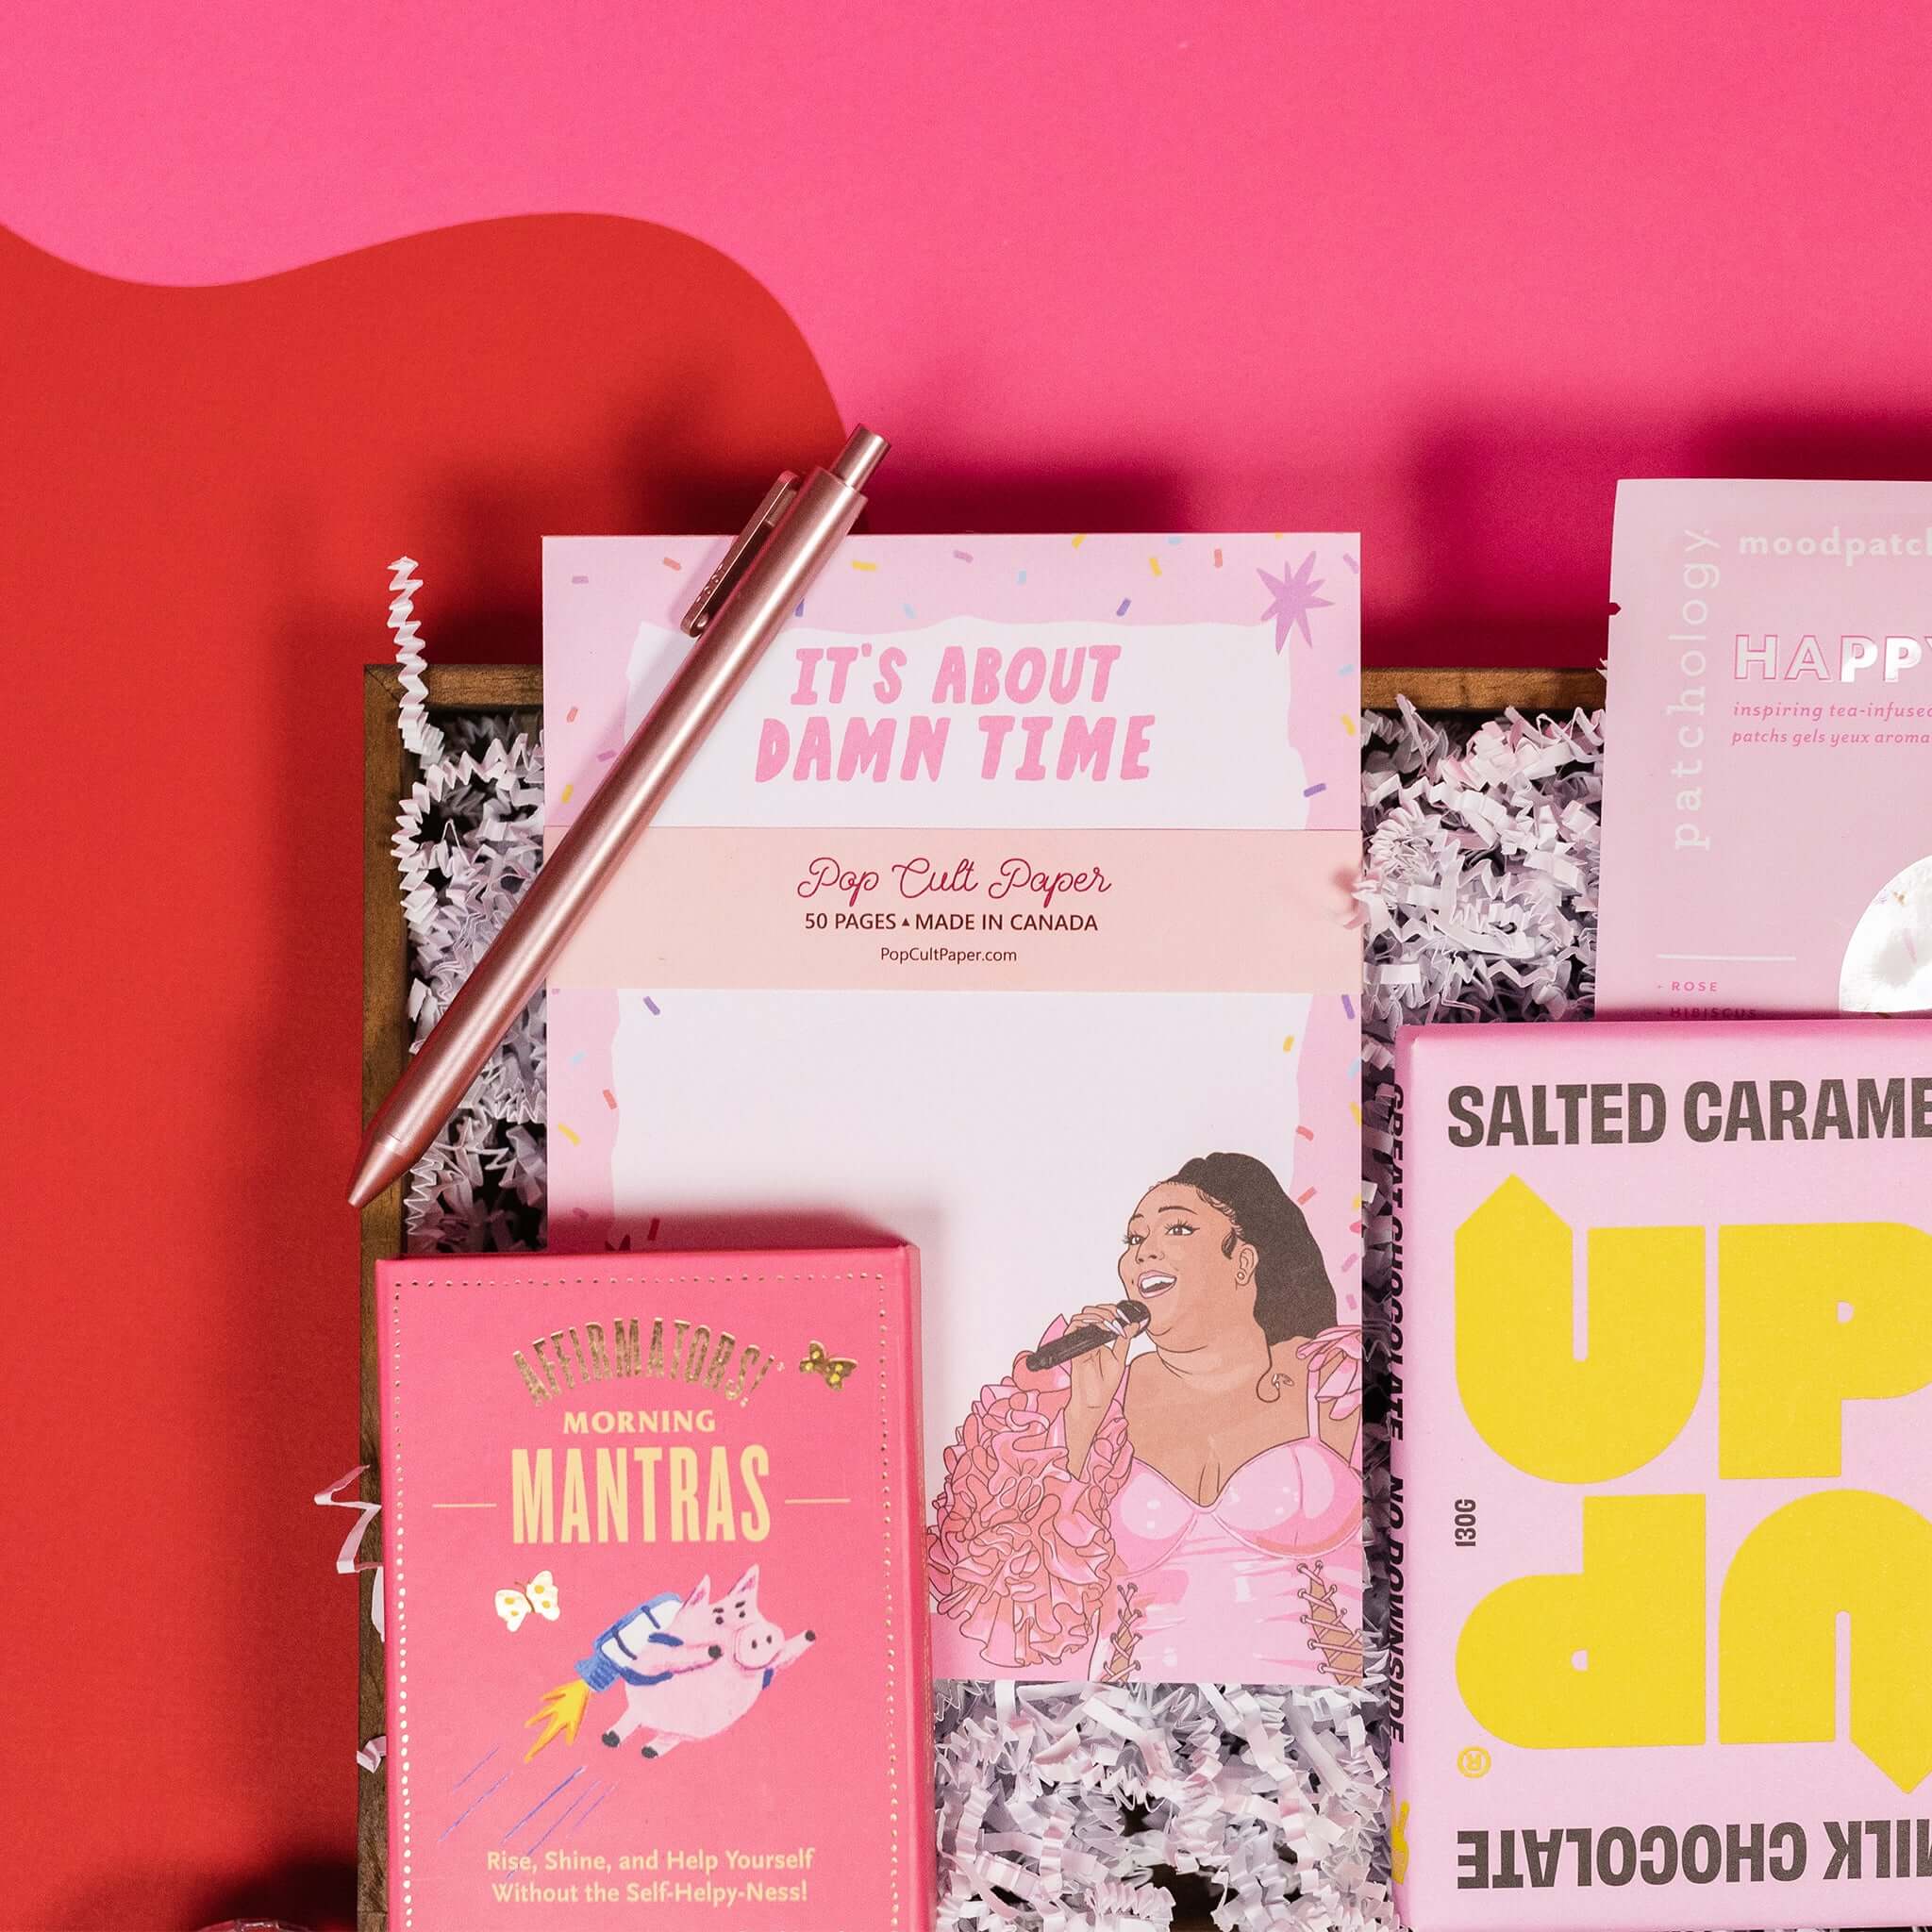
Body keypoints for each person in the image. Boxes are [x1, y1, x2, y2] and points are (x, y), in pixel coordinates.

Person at [929, 1152, 1363, 1683]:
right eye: (1134, 1240)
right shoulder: (1092, 1404)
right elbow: (1012, 1621)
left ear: (1244, 1262)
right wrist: (1084, 1415)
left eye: (1178, 1228)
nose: (1144, 1253)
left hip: (1314, 1734)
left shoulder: (1332, 1376)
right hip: (1128, 1738)